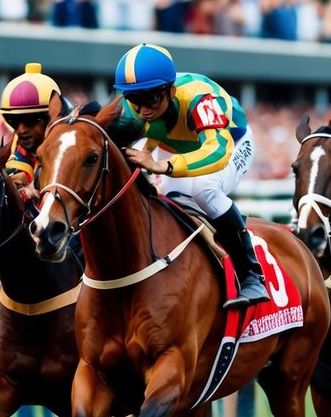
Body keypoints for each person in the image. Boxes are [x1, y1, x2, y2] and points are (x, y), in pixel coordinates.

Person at [114, 43, 269, 309]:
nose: (142, 110)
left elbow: (217, 150)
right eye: (134, 99)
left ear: (170, 91)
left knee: (205, 189)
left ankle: (251, 275)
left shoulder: (199, 97)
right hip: (173, 149)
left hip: (231, 143)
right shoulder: (132, 109)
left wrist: (167, 166)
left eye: (150, 98)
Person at [0, 62, 63, 203]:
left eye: (30, 120)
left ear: (52, 118)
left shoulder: (69, 151)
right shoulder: (12, 156)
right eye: (14, 121)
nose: (21, 130)